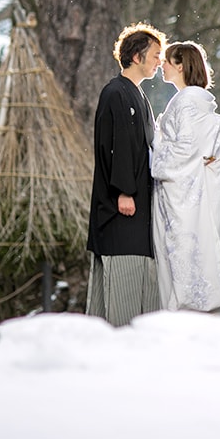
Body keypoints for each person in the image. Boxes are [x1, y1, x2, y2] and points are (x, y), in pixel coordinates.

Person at [151, 40, 220, 315]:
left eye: (168, 61)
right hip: (187, 191)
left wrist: (156, 147)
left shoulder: (187, 103)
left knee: (183, 258)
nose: (162, 66)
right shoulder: (192, 102)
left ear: (181, 66)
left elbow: (185, 151)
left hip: (181, 195)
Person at [86, 22, 166, 327]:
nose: (160, 61)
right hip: (122, 206)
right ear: (136, 56)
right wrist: (124, 191)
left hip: (138, 204)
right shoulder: (115, 92)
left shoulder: (137, 94)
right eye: (156, 55)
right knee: (121, 284)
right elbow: (115, 145)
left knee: (137, 281)